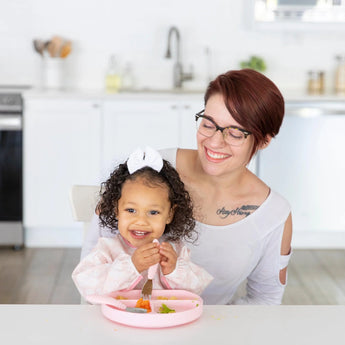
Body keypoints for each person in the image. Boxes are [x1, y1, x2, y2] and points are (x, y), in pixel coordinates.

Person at [83, 69, 292, 305]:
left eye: (235, 133)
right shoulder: (148, 172)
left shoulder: (273, 214)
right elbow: (91, 276)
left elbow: (265, 300)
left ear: (263, 141)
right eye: (208, 124)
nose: (214, 142)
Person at [72, 146, 213, 298]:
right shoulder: (107, 249)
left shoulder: (173, 250)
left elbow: (196, 289)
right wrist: (132, 267)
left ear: (169, 214)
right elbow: (86, 285)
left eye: (153, 212)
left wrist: (174, 270)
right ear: (116, 209)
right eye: (131, 210)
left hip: (164, 320)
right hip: (118, 320)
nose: (141, 221)